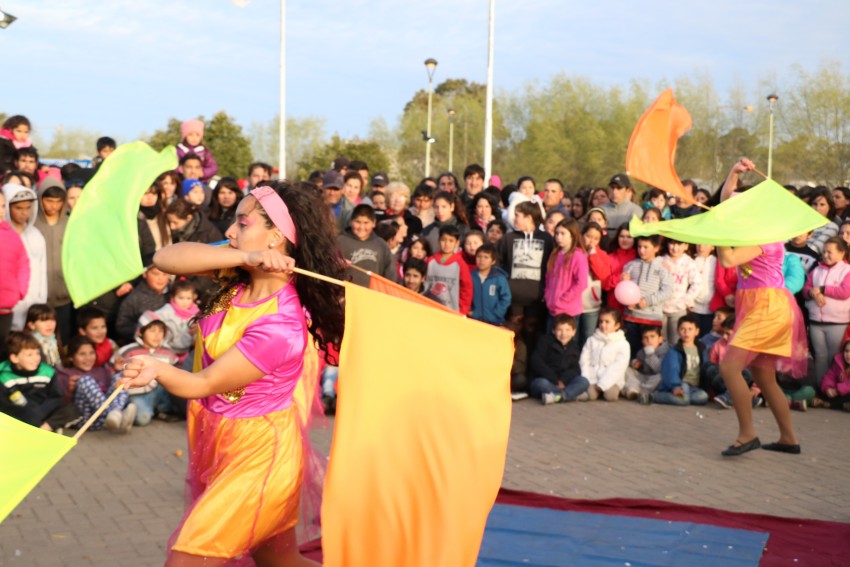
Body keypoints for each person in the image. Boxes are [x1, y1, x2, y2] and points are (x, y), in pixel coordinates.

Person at [121, 180, 344, 565]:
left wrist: (157, 368)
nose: (229, 231)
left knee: (185, 560)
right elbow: (165, 257)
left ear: (276, 236)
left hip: (259, 456)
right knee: (280, 562)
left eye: (242, 223)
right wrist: (245, 256)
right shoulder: (238, 273)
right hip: (221, 440)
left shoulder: (281, 325)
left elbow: (204, 383)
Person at [716, 158, 807, 456]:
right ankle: (788, 438)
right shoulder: (758, 230)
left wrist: (716, 232)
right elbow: (725, 202)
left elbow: (728, 260)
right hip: (764, 305)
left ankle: (747, 434)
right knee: (764, 377)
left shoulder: (764, 237)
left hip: (767, 307)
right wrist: (734, 171)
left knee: (729, 366)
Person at [0, 332, 78, 432]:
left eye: (37, 353)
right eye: (29, 355)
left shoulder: (47, 372)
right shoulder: (4, 376)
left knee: (72, 410)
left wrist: (38, 412)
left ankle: (43, 429)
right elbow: (4, 404)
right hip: (18, 416)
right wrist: (27, 413)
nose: (35, 358)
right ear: (14, 358)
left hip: (43, 414)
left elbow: (56, 397)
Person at [56, 336, 134, 433]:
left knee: (120, 377)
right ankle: (119, 416)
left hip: (105, 419)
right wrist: (70, 390)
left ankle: (116, 414)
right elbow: (61, 405)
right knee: (85, 380)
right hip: (85, 419)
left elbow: (110, 391)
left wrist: (116, 370)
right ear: (71, 357)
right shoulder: (65, 375)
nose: (88, 358)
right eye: (82, 354)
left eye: (91, 353)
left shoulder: (100, 370)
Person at [116, 320, 178, 426]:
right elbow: (115, 372)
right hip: (138, 394)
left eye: (160, 331)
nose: (157, 335)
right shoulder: (129, 351)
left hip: (160, 392)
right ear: (141, 332)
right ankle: (128, 411)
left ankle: (161, 410)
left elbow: (175, 372)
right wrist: (118, 369)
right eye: (152, 331)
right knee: (142, 419)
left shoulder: (168, 352)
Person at [3, 183, 47, 331]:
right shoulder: (5, 236)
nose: (24, 213)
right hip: (9, 305)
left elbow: (42, 270)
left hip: (34, 304)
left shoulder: (36, 235)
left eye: (28, 208)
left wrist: (41, 300)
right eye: (19, 208)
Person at [34, 178, 72, 343]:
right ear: (40, 198)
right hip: (38, 295)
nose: (54, 206)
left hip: (65, 294)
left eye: (58, 201)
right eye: (49, 201)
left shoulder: (69, 223)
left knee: (63, 337)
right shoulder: (32, 223)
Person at [621, 234, 673, 357]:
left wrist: (648, 301)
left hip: (652, 318)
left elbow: (667, 291)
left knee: (650, 353)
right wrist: (624, 283)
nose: (641, 250)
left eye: (646, 247)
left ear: (656, 248)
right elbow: (624, 290)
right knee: (631, 351)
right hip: (631, 317)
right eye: (639, 247)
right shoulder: (630, 266)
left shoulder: (662, 267)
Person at [528, 314, 589, 404]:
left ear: (574, 332)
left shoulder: (574, 346)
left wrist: (563, 380)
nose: (563, 334)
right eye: (559, 330)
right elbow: (536, 362)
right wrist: (555, 380)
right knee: (541, 383)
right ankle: (571, 395)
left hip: (564, 382)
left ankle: (558, 396)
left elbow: (575, 368)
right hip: (547, 380)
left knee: (583, 381)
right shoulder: (545, 341)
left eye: (567, 330)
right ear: (553, 330)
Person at [137, 278, 199, 364]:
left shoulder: (195, 314)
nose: (185, 302)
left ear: (194, 297)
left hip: (185, 352)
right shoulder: (167, 310)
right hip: (167, 350)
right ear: (173, 297)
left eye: (188, 298)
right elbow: (151, 319)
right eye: (181, 298)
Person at [652, 314, 709, 406]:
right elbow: (672, 369)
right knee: (683, 400)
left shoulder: (702, 349)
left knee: (703, 397)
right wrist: (676, 386)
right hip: (681, 383)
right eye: (683, 329)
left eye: (690, 329)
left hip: (694, 387)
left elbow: (705, 367)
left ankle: (683, 397)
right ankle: (655, 396)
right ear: (678, 331)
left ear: (697, 331)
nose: (686, 332)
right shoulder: (675, 350)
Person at [337, 204, 396, 287]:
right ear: (351, 221)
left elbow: (390, 274)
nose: (361, 227)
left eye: (366, 223)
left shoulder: (381, 245)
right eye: (358, 222)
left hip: (373, 293)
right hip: (347, 292)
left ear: (374, 223)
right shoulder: (340, 241)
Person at [579, 307, 630, 401]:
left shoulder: (623, 344)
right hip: (592, 377)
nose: (603, 325)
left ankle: (620, 389)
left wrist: (603, 384)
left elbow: (619, 366)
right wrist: (585, 378)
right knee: (591, 395)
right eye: (601, 321)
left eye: (607, 322)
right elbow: (584, 360)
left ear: (617, 325)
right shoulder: (591, 340)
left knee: (610, 396)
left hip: (612, 379)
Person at [0, 190, 29, 353]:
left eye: (3, 206)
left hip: (5, 307)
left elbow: (23, 264)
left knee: (3, 349)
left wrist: (19, 291)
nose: (1, 211)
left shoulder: (12, 236)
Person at [544, 219, 588, 325]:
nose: (558, 237)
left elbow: (582, 283)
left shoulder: (578, 256)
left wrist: (564, 299)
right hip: (553, 308)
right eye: (557, 233)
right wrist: (547, 296)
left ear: (572, 235)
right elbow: (548, 278)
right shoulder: (555, 254)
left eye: (563, 234)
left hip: (569, 311)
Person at [115, 265, 170, 345]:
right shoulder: (134, 298)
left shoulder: (175, 291)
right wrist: (144, 332)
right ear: (145, 274)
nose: (160, 279)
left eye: (165, 274)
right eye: (155, 274)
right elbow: (122, 326)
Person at [660, 239, 701, 345]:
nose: (675, 248)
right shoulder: (660, 260)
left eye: (679, 244)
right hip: (660, 307)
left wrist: (687, 299)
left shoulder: (689, 262)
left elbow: (696, 283)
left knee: (676, 341)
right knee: (661, 341)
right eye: (672, 243)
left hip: (678, 308)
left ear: (686, 246)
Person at [424, 225, 473, 314]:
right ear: (439, 241)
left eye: (451, 241)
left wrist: (462, 310)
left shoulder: (460, 264)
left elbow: (466, 289)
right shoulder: (430, 261)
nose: (447, 244)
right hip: (430, 308)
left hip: (452, 310)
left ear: (457, 243)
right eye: (443, 240)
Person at [580, 222, 610, 347]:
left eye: (596, 238)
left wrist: (593, 255)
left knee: (588, 338)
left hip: (591, 305)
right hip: (573, 303)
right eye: (588, 236)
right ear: (582, 235)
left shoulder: (602, 255)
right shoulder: (575, 251)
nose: (591, 241)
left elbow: (602, 275)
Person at [623, 326, 669, 404]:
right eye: (645, 337)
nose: (649, 340)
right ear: (642, 341)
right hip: (644, 377)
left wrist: (650, 354)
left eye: (652, 336)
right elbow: (641, 368)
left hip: (655, 379)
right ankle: (633, 390)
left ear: (660, 339)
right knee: (627, 370)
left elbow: (658, 369)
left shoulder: (666, 351)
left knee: (662, 376)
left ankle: (643, 391)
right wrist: (635, 363)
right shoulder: (641, 351)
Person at [470, 244, 511, 325]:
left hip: (495, 321)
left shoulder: (499, 278)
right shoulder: (471, 276)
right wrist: (470, 311)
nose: (481, 260)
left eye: (486, 257)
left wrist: (497, 314)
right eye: (479, 256)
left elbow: (506, 298)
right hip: (474, 319)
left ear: (493, 261)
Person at [814, 339, 850, 411]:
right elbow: (830, 376)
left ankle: (829, 404)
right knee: (820, 390)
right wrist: (828, 388)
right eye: (846, 351)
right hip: (838, 392)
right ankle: (842, 405)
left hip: (843, 391)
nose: (848, 355)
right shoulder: (839, 362)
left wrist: (837, 390)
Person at [692, 244, 717, 338]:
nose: (701, 247)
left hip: (711, 307)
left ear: (713, 246)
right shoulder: (692, 261)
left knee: (707, 336)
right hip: (693, 307)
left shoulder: (716, 261)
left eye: (705, 244)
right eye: (698, 244)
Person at [25, 304, 61, 368]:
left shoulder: (53, 339)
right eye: (43, 321)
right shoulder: (28, 343)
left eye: (52, 320)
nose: (49, 324)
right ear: (31, 325)